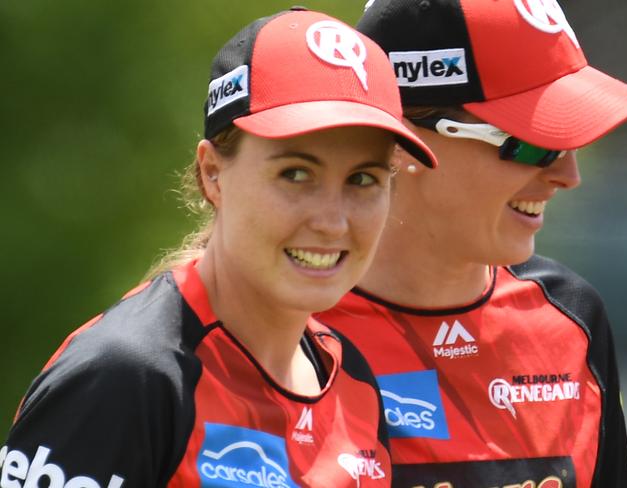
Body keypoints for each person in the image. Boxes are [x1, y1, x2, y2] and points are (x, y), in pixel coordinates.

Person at [0, 8, 438, 488]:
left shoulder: (352, 378)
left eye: (362, 179)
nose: (333, 221)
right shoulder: (128, 377)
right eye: (295, 174)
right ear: (213, 173)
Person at [317, 1, 627, 487]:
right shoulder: (262, 328)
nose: (568, 175)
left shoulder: (572, 319)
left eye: (572, 139)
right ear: (404, 140)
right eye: (534, 142)